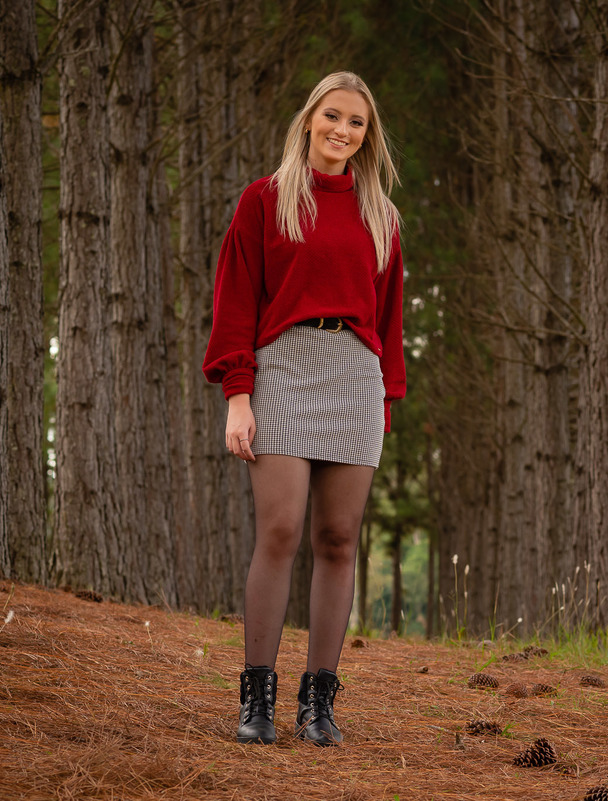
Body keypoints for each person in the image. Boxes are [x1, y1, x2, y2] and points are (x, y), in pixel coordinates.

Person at [202, 71, 405, 746]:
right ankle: (255, 695)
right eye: (333, 116)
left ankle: (319, 702)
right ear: (309, 118)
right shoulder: (265, 200)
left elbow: (390, 320)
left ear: (366, 136)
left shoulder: (381, 214)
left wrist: (387, 396)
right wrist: (238, 393)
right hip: (282, 371)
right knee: (282, 529)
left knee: (339, 540)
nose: (342, 131)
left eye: (356, 122)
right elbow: (235, 299)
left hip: (355, 377)